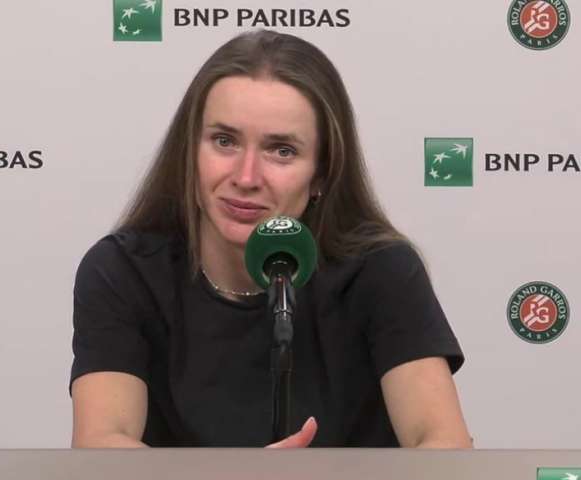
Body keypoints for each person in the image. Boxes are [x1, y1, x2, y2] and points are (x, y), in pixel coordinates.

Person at [70, 30, 472, 449]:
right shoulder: (124, 271)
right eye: (224, 141)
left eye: (281, 151)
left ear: (321, 174)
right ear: (189, 152)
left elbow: (442, 444)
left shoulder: (382, 270)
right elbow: (103, 447)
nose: (246, 177)